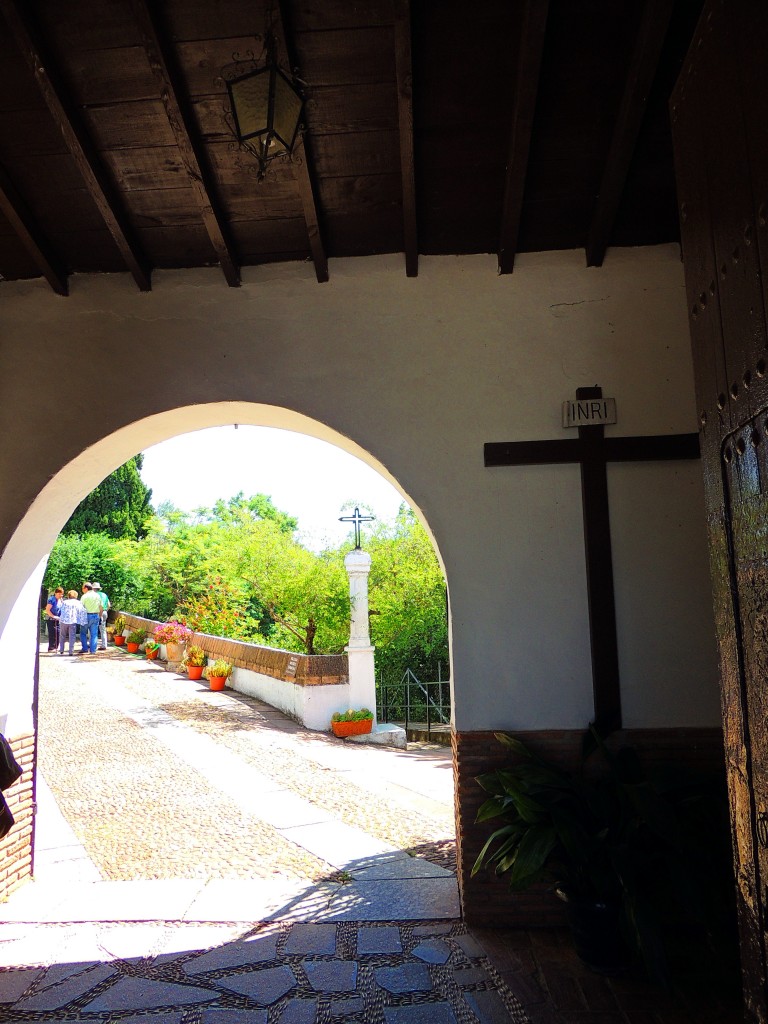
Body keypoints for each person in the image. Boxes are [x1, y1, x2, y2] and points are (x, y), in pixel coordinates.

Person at [58, 590, 85, 656]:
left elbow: (60, 610)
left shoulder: (64, 602)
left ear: (68, 595)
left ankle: (61, 650)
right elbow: (81, 611)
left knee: (62, 635)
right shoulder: (78, 602)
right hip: (72, 621)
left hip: (63, 620)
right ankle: (71, 651)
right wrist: (82, 621)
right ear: (76, 596)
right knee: (72, 636)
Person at [79, 582, 103, 655]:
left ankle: (85, 648)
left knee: (83, 633)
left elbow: (80, 607)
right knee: (94, 634)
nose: (82, 589)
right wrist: (99, 616)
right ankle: (93, 651)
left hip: (86, 616)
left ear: (86, 588)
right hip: (95, 615)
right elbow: (101, 607)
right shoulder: (97, 596)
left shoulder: (84, 596)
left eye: (83, 588)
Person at [92, 581, 110, 651]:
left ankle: (93, 645)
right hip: (105, 612)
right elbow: (109, 605)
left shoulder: (94, 595)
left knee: (93, 629)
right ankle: (104, 645)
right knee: (103, 629)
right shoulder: (104, 595)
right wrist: (105, 611)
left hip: (97, 612)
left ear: (93, 588)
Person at [44, 588, 64, 652]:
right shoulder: (51, 599)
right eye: (59, 594)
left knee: (58, 633)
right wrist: (53, 616)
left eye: (61, 594)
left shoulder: (60, 600)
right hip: (51, 619)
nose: (60, 595)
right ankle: (51, 648)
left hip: (57, 619)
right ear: (55, 593)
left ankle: (56, 647)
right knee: (52, 633)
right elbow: (47, 610)